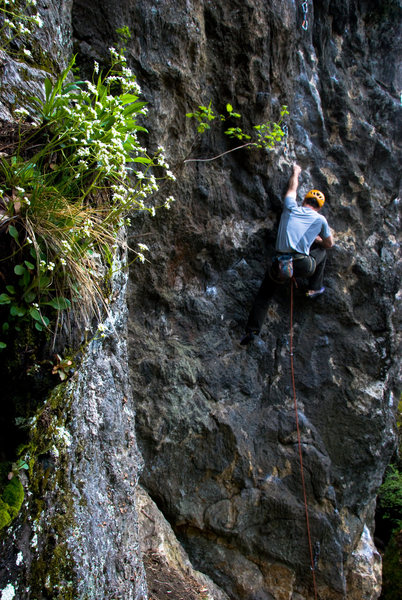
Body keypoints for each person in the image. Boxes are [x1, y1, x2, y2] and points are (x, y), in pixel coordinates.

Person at [240, 163, 334, 346]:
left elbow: (292, 188)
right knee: (322, 251)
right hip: (302, 264)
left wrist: (296, 172)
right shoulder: (320, 219)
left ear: (305, 200)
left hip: (280, 263)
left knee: (264, 295)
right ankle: (314, 288)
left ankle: (251, 331)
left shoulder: (290, 207)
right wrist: (317, 241)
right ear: (319, 207)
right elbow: (329, 244)